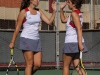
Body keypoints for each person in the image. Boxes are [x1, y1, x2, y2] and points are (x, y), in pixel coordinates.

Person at [9, 0, 56, 75]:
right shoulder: (24, 12)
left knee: (38, 64)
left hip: (37, 41)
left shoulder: (39, 11)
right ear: (30, 1)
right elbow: (17, 27)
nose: (38, 1)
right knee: (30, 64)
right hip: (26, 39)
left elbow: (49, 22)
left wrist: (54, 11)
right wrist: (12, 41)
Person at [60, 0, 87, 75]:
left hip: (71, 42)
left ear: (74, 4)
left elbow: (79, 28)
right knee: (77, 66)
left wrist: (80, 44)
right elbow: (63, 20)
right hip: (76, 42)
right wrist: (61, 9)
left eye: (69, 2)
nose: (67, 3)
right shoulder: (78, 13)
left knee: (66, 66)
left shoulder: (74, 14)